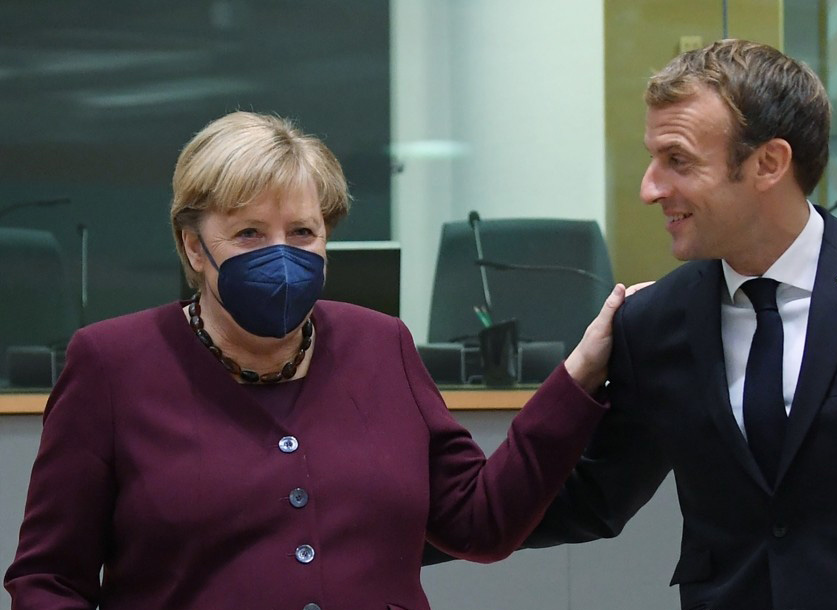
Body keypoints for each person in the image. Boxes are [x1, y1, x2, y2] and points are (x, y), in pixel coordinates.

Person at [4, 111, 625, 610]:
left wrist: (579, 374)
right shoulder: (112, 365)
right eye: (249, 233)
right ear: (193, 247)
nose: (280, 255)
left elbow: (479, 521)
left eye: (302, 232)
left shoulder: (381, 345)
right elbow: (48, 580)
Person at [522, 39, 837, 608]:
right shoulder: (653, 322)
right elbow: (593, 498)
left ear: (768, 164)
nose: (649, 188)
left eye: (677, 160)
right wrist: (431, 521)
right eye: (653, 158)